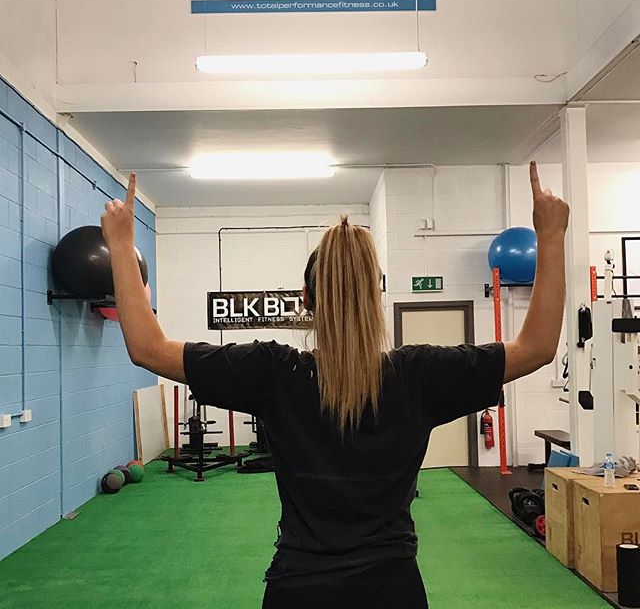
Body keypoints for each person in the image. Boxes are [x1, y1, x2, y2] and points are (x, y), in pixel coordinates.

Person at [101, 162, 569, 608]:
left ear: (305, 299)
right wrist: (550, 237)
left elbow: (148, 348)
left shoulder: (274, 371)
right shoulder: (418, 375)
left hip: (300, 589)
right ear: (374, 295)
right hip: (393, 590)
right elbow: (537, 347)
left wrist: (121, 245)